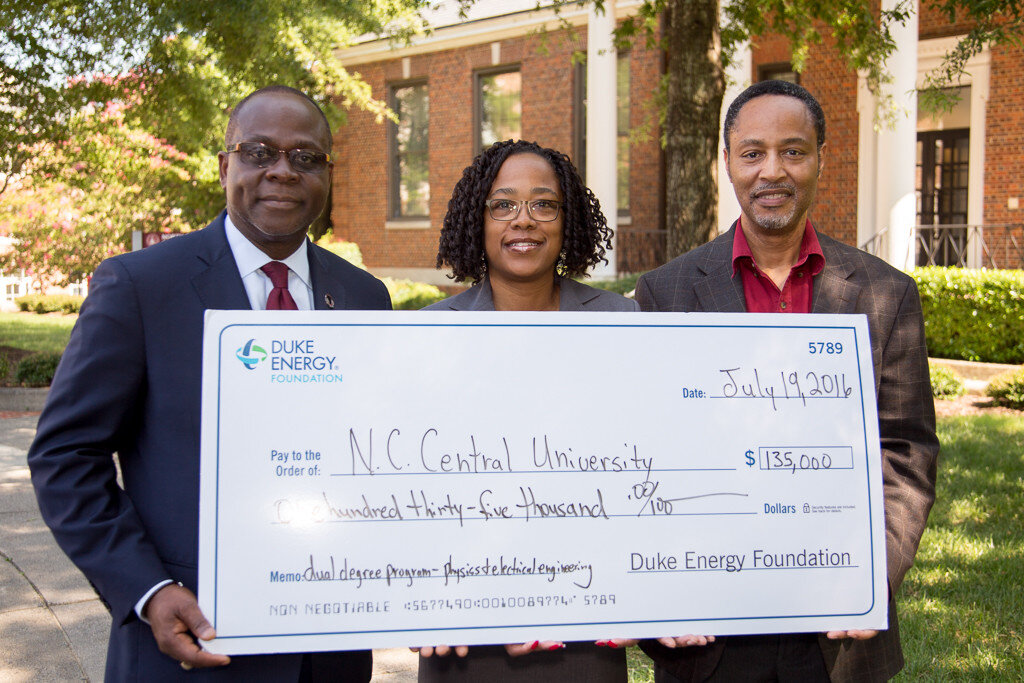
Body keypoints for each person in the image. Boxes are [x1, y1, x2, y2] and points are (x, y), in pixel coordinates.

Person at [27, 85, 391, 681]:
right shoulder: (140, 287)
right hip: (190, 640)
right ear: (225, 166)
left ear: (327, 175)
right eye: (259, 152)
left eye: (305, 157)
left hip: (328, 650)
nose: (282, 171)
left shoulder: (364, 298)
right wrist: (147, 588)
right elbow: (66, 455)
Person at [635, 80, 939, 682]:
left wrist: (872, 571)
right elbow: (643, 456)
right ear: (727, 163)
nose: (772, 171)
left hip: (835, 635)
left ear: (821, 157)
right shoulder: (665, 292)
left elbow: (905, 448)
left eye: (793, 151)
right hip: (709, 634)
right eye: (753, 153)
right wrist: (658, 592)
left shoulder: (885, 294)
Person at [418, 139, 638, 681]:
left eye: (544, 204)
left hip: (587, 622)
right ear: (480, 219)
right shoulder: (427, 334)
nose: (525, 221)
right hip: (462, 629)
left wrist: (642, 587)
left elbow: (645, 466)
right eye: (503, 204)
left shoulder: (623, 322)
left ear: (569, 222)